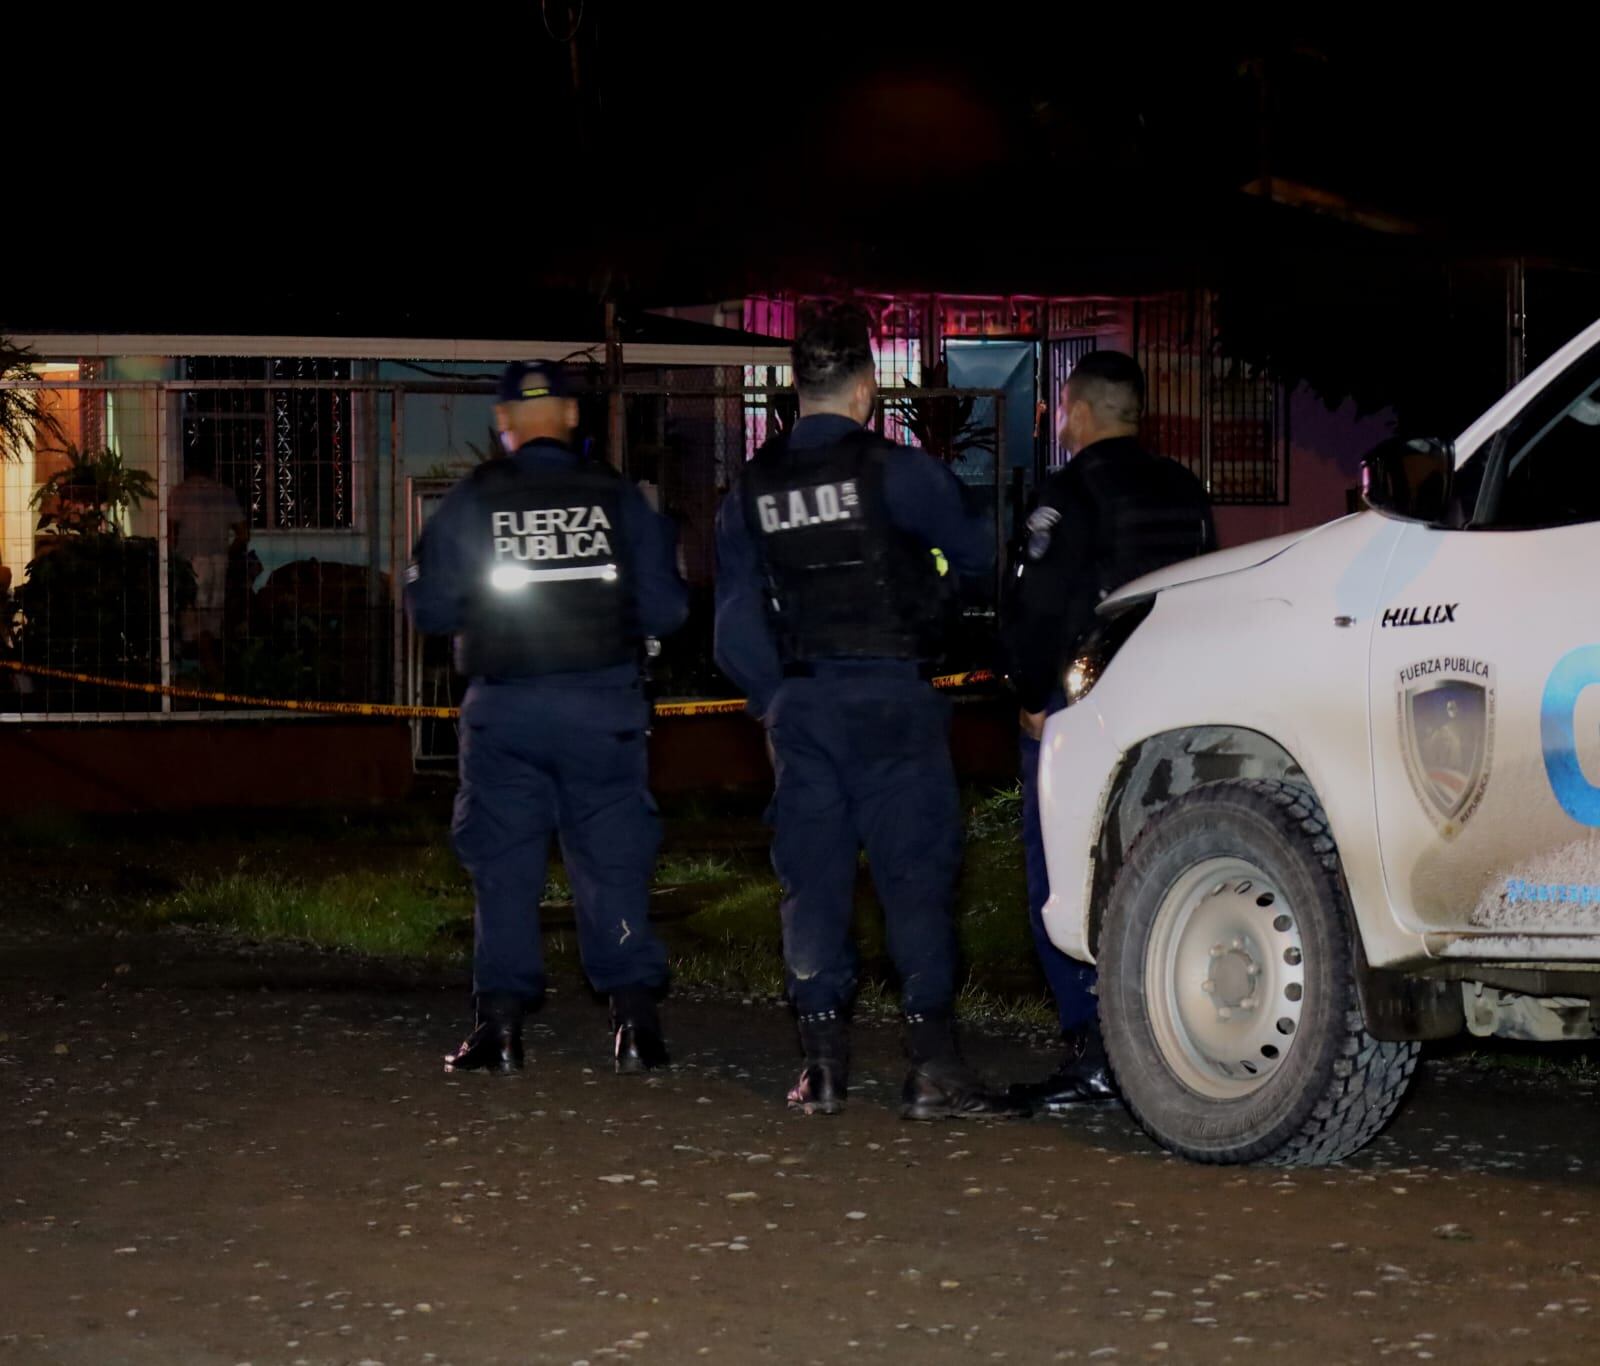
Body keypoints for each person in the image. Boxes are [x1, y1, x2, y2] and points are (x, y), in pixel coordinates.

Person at [715, 307, 1021, 1121]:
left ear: (793, 389)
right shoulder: (903, 471)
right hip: (894, 699)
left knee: (811, 878)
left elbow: (734, 616)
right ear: (865, 389)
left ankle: (820, 1067)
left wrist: (772, 697)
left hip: (805, 705)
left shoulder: (752, 486)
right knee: (915, 877)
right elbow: (980, 558)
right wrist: (938, 592)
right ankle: (932, 1069)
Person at [405, 361, 689, 1076]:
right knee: (613, 862)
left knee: (503, 866)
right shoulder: (618, 498)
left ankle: (499, 1029)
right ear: (569, 417)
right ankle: (635, 1025)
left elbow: (430, 607)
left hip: (505, 710)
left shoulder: (474, 500)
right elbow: (668, 608)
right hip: (602, 706)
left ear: (502, 425)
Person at [1005, 350, 1215, 1110]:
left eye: (1064, 411)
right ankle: (1161, 1038)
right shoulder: (1184, 490)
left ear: (1079, 411)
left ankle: (1093, 1048)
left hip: (1086, 712)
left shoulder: (1069, 494)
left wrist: (1031, 696)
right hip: (1180, 715)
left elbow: (1037, 607)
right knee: (1159, 872)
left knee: (1064, 874)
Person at [168, 447, 248, 685]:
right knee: (212, 624)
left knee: (194, 624)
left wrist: (173, 561)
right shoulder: (224, 493)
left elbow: (170, 534)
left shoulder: (180, 493)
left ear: (188, 467)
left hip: (192, 564)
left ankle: (214, 679)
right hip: (218, 562)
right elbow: (243, 535)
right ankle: (213, 677)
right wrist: (225, 552)